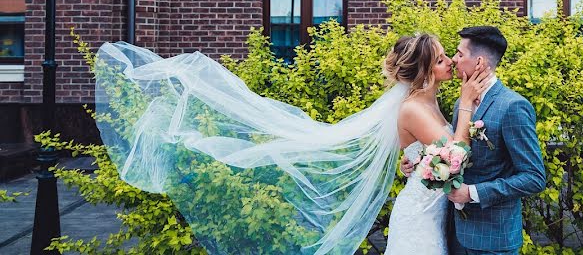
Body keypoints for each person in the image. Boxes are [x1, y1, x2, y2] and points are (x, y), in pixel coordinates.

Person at [93, 33, 492, 255]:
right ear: (425, 69)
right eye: (441, 59)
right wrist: (467, 112)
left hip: (428, 208)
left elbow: (422, 157)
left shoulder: (426, 102)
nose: (448, 64)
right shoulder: (415, 110)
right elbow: (454, 157)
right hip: (419, 217)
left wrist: (414, 161)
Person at [401, 26, 546, 255]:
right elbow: (449, 151)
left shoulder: (512, 107)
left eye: (459, 54)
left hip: (492, 240)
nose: (453, 60)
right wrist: (417, 162)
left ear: (478, 62)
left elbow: (534, 178)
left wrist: (473, 193)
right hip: (452, 232)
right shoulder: (462, 104)